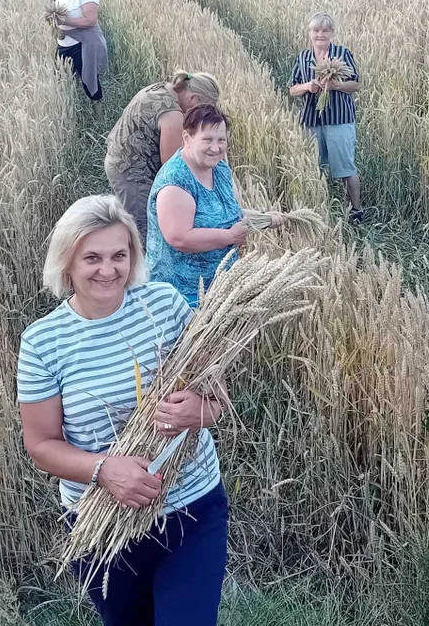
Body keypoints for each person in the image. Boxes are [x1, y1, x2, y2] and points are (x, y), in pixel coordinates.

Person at [18, 194, 228, 626]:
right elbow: (40, 444)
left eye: (119, 255)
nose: (108, 269)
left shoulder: (165, 305)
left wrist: (200, 411)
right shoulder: (43, 343)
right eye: (91, 257)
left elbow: (218, 400)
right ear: (68, 263)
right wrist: (104, 470)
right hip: (103, 526)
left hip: (192, 506)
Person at [146, 105, 282, 308]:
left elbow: (229, 212)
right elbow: (179, 237)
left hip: (220, 283)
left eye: (221, 140)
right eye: (207, 139)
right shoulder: (176, 181)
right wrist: (229, 238)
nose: (216, 147)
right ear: (187, 138)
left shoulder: (219, 169)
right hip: (183, 294)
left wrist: (266, 218)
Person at [104, 71, 221, 242]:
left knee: (130, 220)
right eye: (203, 109)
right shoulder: (172, 115)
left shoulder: (160, 88)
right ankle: (139, 265)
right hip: (133, 175)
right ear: (193, 99)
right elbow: (171, 167)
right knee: (142, 232)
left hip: (118, 160)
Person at [288, 12, 365, 224]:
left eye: (324, 30)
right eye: (316, 30)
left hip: (339, 118)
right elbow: (292, 89)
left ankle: (355, 211)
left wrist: (336, 85)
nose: (320, 34)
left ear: (331, 33)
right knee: (314, 167)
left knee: (345, 166)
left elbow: (356, 84)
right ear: (309, 33)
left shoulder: (342, 53)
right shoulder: (302, 57)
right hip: (311, 120)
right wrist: (307, 86)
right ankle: (319, 208)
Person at [53, 0, 108, 107]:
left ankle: (99, 114)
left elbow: (90, 20)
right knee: (61, 77)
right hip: (63, 43)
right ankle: (74, 107)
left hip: (81, 45)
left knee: (89, 80)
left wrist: (65, 21)